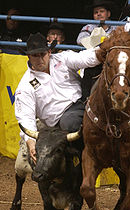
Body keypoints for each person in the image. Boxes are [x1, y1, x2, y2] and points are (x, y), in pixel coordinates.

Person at [14, 32, 101, 163]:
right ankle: (90, 157)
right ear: (29, 56)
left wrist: (105, 49)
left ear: (49, 52)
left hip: (84, 100)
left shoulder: (63, 58)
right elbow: (26, 118)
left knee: (95, 72)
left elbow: (86, 58)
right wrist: (31, 143)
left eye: (42, 54)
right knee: (70, 122)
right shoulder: (25, 86)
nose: (39, 59)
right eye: (35, 56)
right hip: (61, 120)